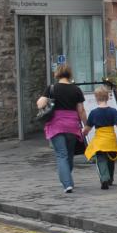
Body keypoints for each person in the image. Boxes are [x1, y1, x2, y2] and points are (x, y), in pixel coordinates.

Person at [36, 64, 87, 193]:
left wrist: (46, 99)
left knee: (61, 155)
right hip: (72, 125)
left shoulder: (51, 88)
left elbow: (40, 104)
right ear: (69, 74)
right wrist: (86, 125)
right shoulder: (76, 89)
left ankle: (67, 184)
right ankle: (67, 180)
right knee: (69, 155)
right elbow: (81, 110)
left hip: (56, 125)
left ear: (57, 74)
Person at [82, 85, 117, 189]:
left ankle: (104, 179)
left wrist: (84, 133)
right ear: (107, 97)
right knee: (111, 159)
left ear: (96, 98)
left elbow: (87, 128)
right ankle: (110, 179)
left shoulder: (93, 113)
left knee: (101, 159)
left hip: (100, 140)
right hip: (111, 139)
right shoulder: (113, 111)